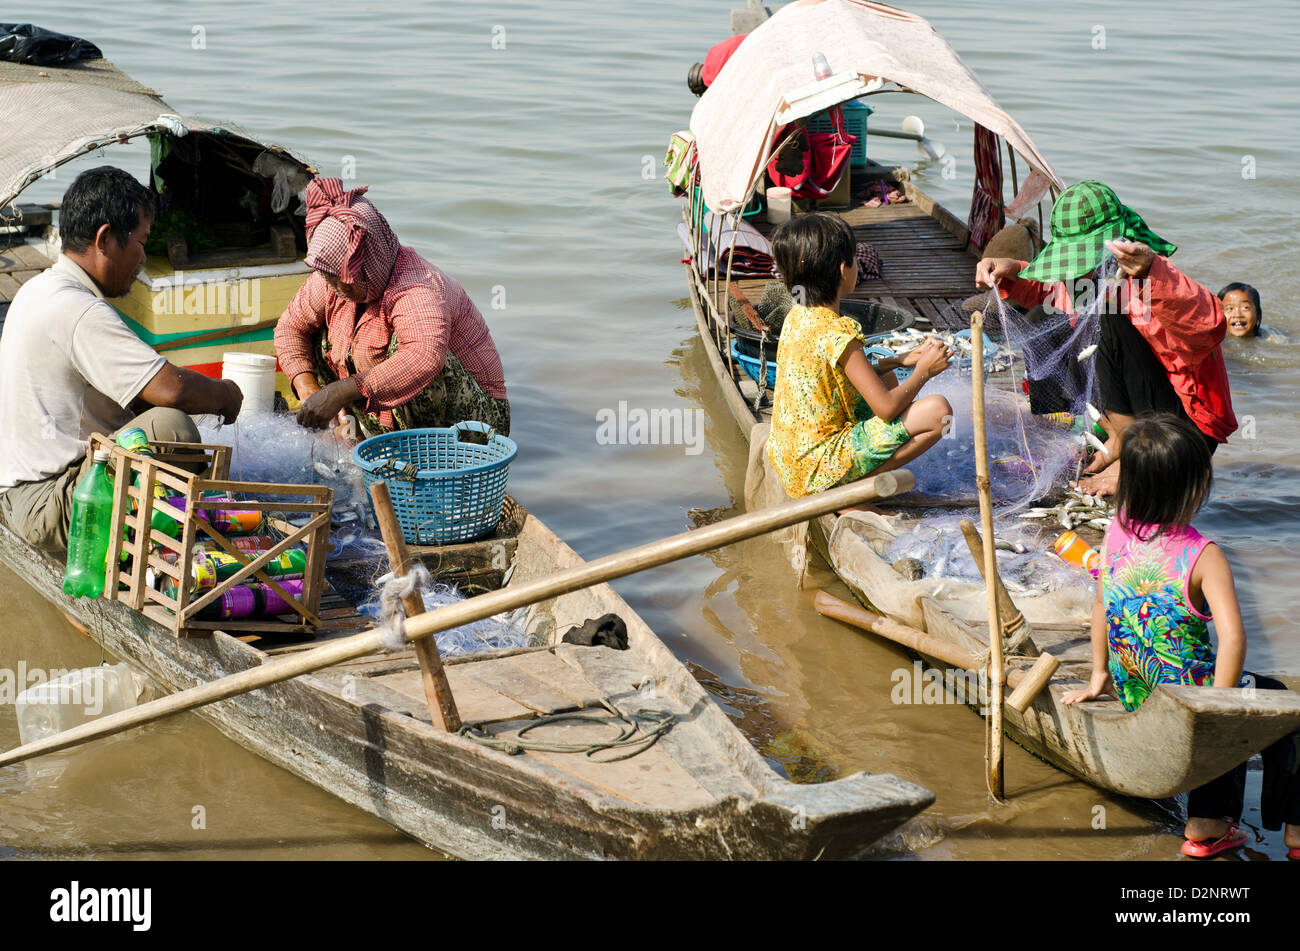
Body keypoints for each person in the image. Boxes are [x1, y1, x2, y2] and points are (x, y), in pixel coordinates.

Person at [1062, 415, 1300, 859]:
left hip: (1137, 691)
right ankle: (1245, 828)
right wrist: (1219, 711)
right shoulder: (1203, 554)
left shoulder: (1115, 533)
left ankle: (1214, 818)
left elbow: (1100, 605)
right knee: (1281, 704)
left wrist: (1098, 676)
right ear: (1193, 488)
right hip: (1185, 699)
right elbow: (1232, 639)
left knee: (1228, 693)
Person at [0, 167, 242, 550]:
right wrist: (225, 394)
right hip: (49, 501)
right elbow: (170, 390)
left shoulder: (37, 289)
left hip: (20, 491)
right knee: (172, 428)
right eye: (141, 242)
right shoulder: (78, 310)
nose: (143, 257)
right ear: (106, 239)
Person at [976, 180, 1236, 496]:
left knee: (1108, 319)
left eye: (1081, 262)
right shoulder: (1089, 282)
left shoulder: (1153, 280)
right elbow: (1052, 294)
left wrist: (1153, 270)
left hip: (1179, 431)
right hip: (1135, 412)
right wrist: (1012, 270)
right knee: (1044, 318)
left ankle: (1129, 455)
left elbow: (1211, 325)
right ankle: (1103, 435)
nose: (1075, 274)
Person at [274, 178, 508, 438]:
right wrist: (309, 390)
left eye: (347, 279)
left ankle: (424, 453)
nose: (339, 287)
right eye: (331, 278)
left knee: (410, 351)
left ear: (371, 261)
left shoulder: (417, 287)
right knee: (318, 333)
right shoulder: (331, 281)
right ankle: (359, 434)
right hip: (391, 414)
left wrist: (339, 392)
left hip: (477, 425)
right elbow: (290, 327)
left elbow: (424, 358)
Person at [765, 213, 953, 500]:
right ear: (844, 269)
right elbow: (887, 409)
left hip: (792, 460)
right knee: (939, 411)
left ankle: (850, 481)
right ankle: (853, 492)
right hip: (818, 470)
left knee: (889, 376)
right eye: (854, 259)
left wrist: (897, 360)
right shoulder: (839, 331)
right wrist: (924, 371)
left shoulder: (798, 314)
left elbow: (833, 373)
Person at [1219, 282, 1283, 341]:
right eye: (1230, 308)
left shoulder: (1271, 337)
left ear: (1257, 315)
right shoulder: (1217, 341)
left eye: (1245, 308)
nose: (1237, 315)